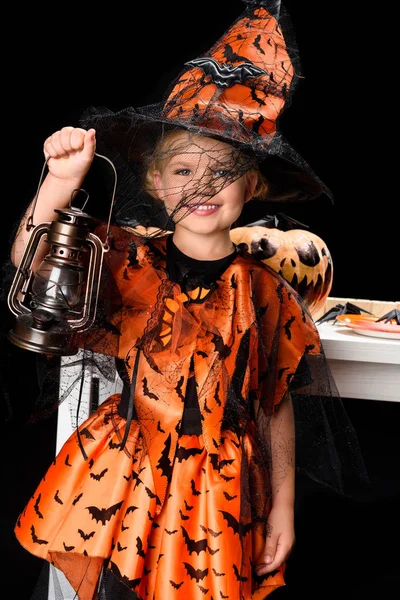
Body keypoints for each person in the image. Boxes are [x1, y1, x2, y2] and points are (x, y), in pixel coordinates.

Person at [8, 2, 367, 599]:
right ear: (155, 183)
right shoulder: (125, 263)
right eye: (182, 171)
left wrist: (284, 508)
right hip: (124, 478)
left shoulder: (268, 294)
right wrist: (61, 183)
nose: (201, 188)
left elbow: (275, 403)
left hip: (219, 494)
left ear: (252, 185)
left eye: (222, 173)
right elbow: (34, 260)